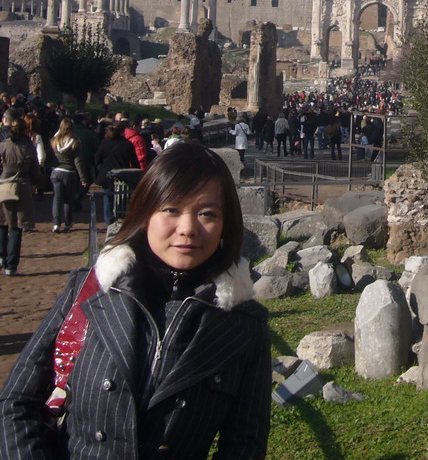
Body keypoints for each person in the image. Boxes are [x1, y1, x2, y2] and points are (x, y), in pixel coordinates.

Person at [0, 142, 272, 459]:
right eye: (171, 209)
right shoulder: (89, 290)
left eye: (207, 214)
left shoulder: (244, 326)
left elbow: (244, 445)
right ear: (145, 212)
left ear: (226, 224)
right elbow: (16, 402)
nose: (188, 229)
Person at [0, 116, 41, 275]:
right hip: (22, 184)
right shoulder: (27, 147)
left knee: (3, 221)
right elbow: (35, 168)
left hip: (3, 184)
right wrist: (37, 182)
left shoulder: (3, 145)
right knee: (15, 225)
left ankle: (2, 256)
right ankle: (11, 264)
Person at [50, 117, 89, 233]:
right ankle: (68, 222)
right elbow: (78, 161)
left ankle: (56, 223)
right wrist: (83, 178)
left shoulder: (54, 141)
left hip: (56, 172)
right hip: (69, 172)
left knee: (57, 198)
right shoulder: (75, 142)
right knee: (67, 199)